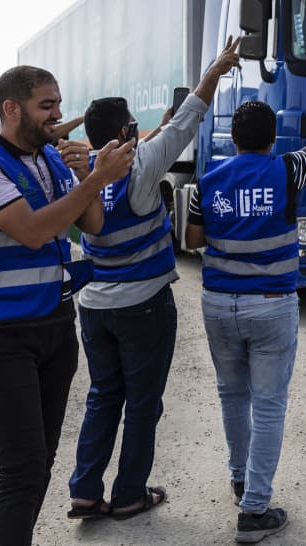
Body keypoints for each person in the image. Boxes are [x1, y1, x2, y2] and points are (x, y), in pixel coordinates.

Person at [0, 66, 134, 546]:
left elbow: (94, 225)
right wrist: (95, 180)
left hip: (54, 327)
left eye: (58, 103)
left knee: (39, 462)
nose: (58, 115)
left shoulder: (48, 159)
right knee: (21, 470)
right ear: (10, 108)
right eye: (46, 105)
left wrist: (88, 175)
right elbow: (34, 231)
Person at [63, 38, 240, 522]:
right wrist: (216, 69)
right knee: (142, 404)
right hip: (142, 307)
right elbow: (189, 120)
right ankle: (129, 495)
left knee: (103, 396)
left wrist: (156, 127)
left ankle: (84, 490)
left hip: (94, 307)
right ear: (126, 130)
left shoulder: (81, 172)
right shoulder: (142, 167)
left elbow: (166, 129)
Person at [184, 61, 306, 544]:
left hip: (219, 304)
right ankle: (255, 509)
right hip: (273, 306)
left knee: (232, 397)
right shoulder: (287, 167)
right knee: (269, 405)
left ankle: (240, 480)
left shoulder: (208, 181)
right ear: (273, 139)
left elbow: (193, 240)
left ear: (233, 139)